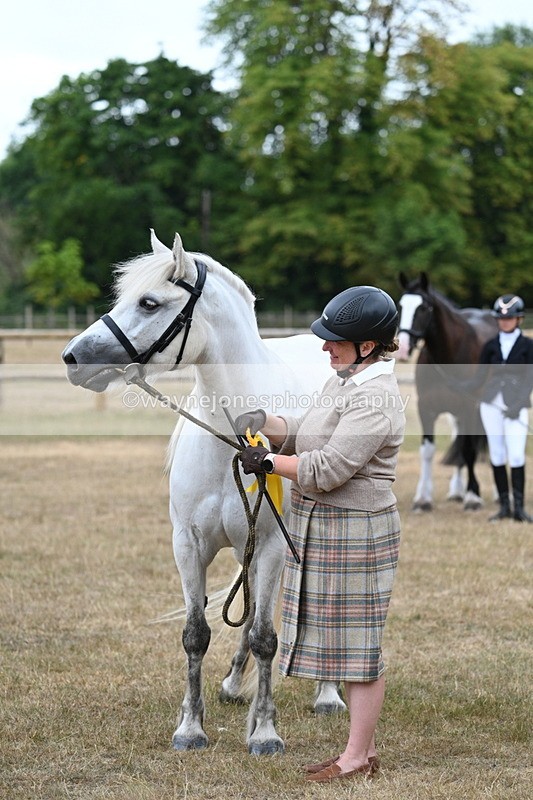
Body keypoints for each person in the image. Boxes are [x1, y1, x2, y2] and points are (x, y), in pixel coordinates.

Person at [236, 286, 405, 782]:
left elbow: (329, 467)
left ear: (367, 346)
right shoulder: (344, 382)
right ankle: (361, 753)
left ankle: (355, 759)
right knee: (351, 647)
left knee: (361, 650)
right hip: (327, 527)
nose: (325, 348)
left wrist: (268, 461)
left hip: (358, 530)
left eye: (336, 341)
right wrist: (264, 422)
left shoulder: (375, 397)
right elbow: (308, 431)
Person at [458, 294, 533, 522]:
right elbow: (479, 378)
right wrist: (458, 385)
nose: (505, 322)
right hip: (491, 406)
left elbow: (530, 379)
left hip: (514, 407)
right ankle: (504, 506)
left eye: (509, 318)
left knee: (516, 453)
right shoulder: (490, 346)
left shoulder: (528, 346)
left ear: (518, 319)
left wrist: (518, 404)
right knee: (498, 453)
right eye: (501, 319)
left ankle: (519, 508)